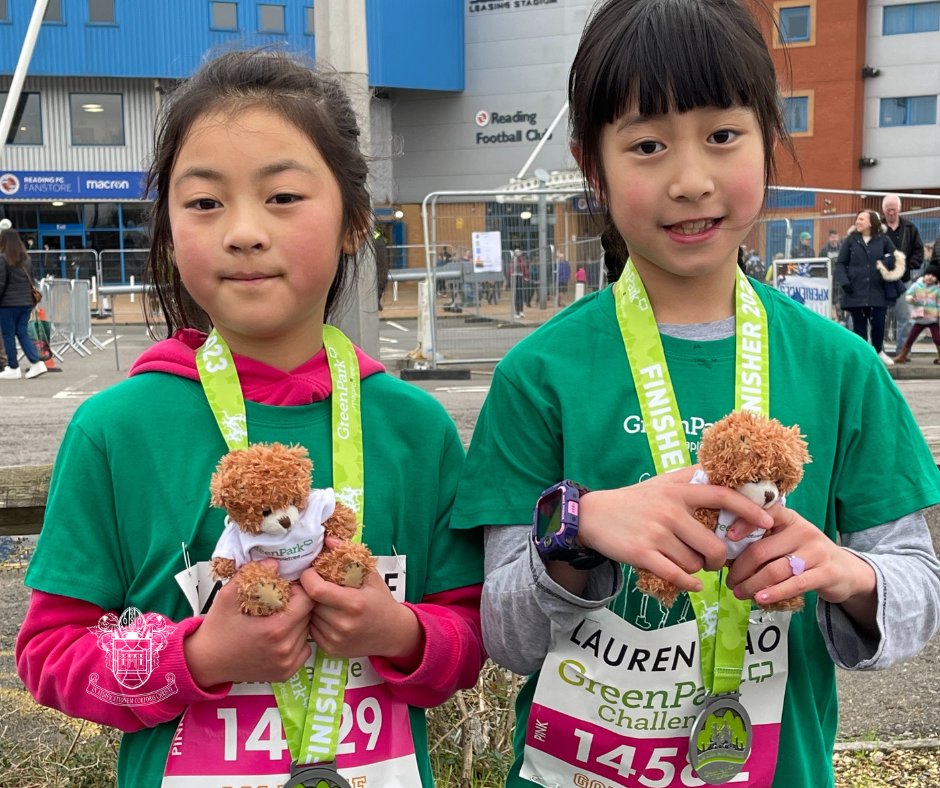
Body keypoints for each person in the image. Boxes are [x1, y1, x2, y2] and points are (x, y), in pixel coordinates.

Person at [448, 2, 940, 787]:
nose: (690, 179)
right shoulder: (539, 374)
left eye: (722, 135)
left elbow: (917, 582)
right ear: (591, 163)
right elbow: (504, 633)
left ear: (768, 136)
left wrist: (847, 574)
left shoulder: (842, 366)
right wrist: (577, 531)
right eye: (646, 145)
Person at [15, 49, 485, 788]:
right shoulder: (115, 430)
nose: (243, 232)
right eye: (204, 202)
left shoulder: (413, 430)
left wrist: (398, 632)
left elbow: (469, 634)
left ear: (355, 221)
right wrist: (199, 656)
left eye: (284, 197)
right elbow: (51, 656)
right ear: (168, 231)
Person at [836, 209, 905, 366]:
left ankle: (879, 351)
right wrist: (844, 281)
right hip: (855, 291)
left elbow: (896, 258)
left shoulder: (884, 240)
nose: (857, 221)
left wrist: (886, 264)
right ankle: (862, 356)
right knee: (859, 326)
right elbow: (840, 263)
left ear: (871, 222)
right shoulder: (851, 240)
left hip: (878, 291)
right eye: (857, 218)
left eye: (861, 219)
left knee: (879, 324)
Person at [0, 227, 47, 380]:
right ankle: (36, 362)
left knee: (8, 335)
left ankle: (13, 367)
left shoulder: (3, 259)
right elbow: (31, 279)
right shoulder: (26, 259)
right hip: (26, 302)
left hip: (8, 303)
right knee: (22, 332)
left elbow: (1, 283)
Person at [882, 195, 925, 354]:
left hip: (903, 281)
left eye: (894, 209)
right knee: (878, 317)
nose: (891, 213)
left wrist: (906, 267)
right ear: (883, 210)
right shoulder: (877, 228)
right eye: (888, 210)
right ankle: (879, 351)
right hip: (882, 280)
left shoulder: (910, 228)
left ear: (899, 209)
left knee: (905, 318)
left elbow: (918, 252)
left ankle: (903, 352)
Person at [893, 263, 940, 364]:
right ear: (924, 275)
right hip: (919, 319)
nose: (930, 277)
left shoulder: (937, 289)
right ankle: (902, 356)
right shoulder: (916, 286)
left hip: (933, 319)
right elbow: (908, 295)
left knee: (937, 338)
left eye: (934, 276)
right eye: (928, 274)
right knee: (911, 337)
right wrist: (911, 299)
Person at [509, 248, 529, 319]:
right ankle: (517, 311)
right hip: (515, 279)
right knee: (516, 296)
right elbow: (510, 270)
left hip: (520, 278)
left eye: (519, 253)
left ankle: (521, 311)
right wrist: (510, 279)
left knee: (520, 296)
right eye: (517, 253)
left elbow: (525, 269)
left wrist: (526, 277)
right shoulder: (513, 261)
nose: (518, 254)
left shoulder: (521, 261)